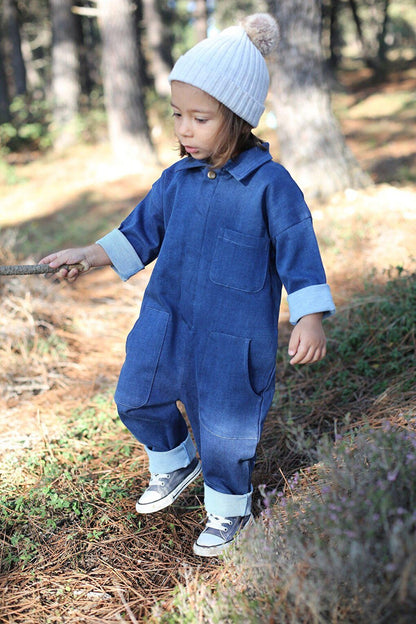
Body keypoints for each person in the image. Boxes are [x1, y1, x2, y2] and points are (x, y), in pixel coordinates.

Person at [40, 13, 335, 557]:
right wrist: (88, 254)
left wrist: (309, 314)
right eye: (177, 115)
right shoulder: (176, 179)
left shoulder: (270, 185)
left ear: (238, 118)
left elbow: (298, 246)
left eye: (200, 118)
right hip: (167, 317)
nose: (184, 130)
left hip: (232, 334)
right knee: (136, 394)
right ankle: (174, 462)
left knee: (225, 428)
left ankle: (228, 508)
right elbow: (139, 232)